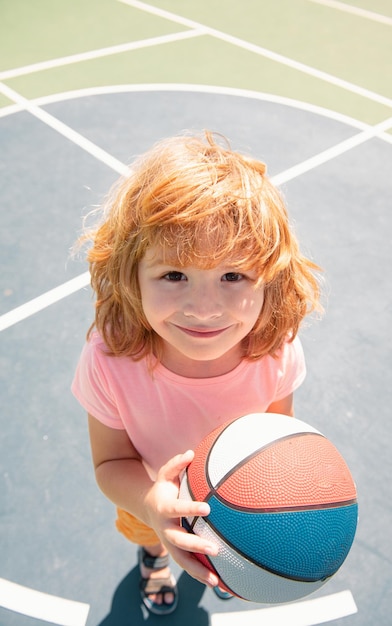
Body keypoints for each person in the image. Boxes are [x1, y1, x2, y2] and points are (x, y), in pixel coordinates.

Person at [72, 131, 322, 615]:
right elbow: (109, 465)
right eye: (173, 276)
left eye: (233, 276)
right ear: (131, 275)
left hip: (235, 506)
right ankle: (154, 559)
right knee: (151, 534)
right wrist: (151, 505)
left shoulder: (275, 351)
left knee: (223, 547)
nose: (204, 308)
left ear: (270, 278)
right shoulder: (110, 359)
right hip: (146, 490)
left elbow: (277, 437)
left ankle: (228, 557)